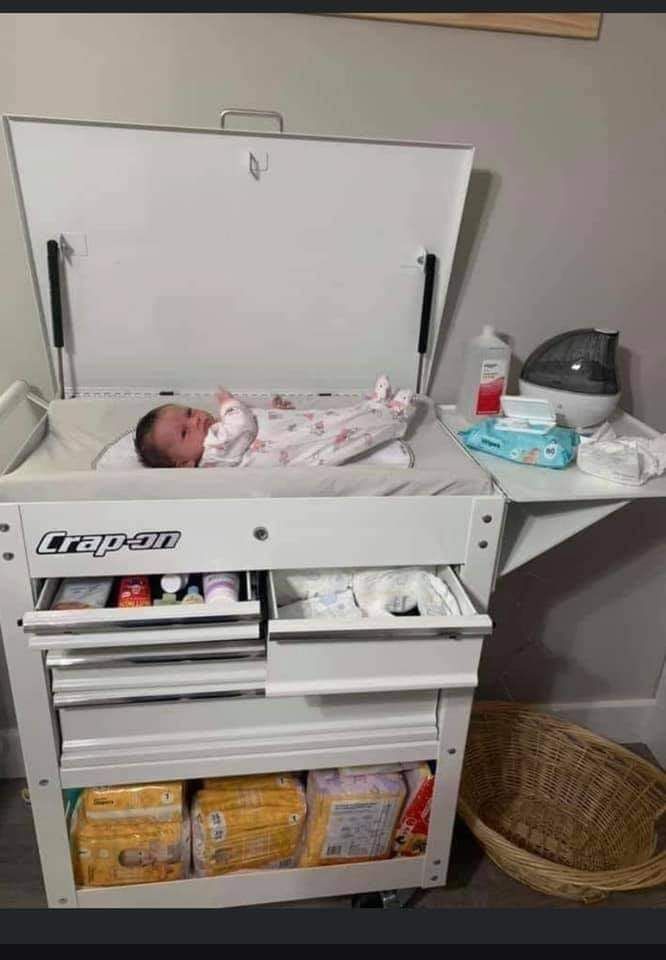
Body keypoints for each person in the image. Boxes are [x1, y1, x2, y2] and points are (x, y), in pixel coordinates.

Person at [134, 375, 414, 469]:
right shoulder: (212, 453)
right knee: (339, 434)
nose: (195, 420)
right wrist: (228, 402)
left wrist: (277, 414)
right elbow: (243, 425)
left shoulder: (218, 436)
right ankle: (392, 417)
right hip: (299, 447)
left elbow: (251, 429)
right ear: (184, 464)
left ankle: (372, 406)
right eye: (185, 432)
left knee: (333, 418)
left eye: (189, 412)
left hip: (292, 432)